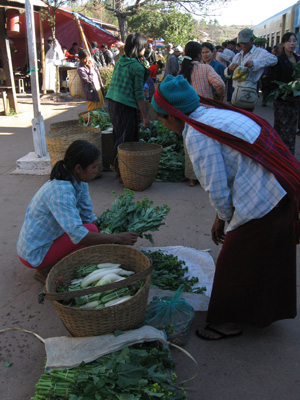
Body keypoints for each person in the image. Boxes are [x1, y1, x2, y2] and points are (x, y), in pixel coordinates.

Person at [151, 74, 300, 340]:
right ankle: (262, 313)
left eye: (161, 118)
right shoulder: (212, 114)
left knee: (233, 263)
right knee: (268, 258)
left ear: (173, 116)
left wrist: (225, 219)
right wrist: (223, 217)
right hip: (281, 190)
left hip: (261, 202)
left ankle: (227, 323)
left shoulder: (197, 134)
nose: (162, 125)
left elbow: (216, 187)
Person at [17, 140, 138, 283]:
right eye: (93, 167)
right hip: (34, 254)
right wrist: (116, 238)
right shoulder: (61, 190)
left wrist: (107, 233)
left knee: (92, 229)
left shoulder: (80, 182)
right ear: (78, 168)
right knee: (89, 231)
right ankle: (43, 270)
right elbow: (79, 235)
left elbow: (88, 215)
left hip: (47, 241)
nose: (96, 171)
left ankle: (52, 263)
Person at [179, 41, 225, 186]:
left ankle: (192, 178)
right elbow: (220, 85)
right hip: (205, 113)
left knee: (189, 145)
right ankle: (206, 177)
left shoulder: (183, 70)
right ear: (199, 55)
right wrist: (219, 97)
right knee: (207, 145)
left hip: (187, 113)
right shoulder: (205, 68)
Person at [105, 32, 150, 163]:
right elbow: (138, 94)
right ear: (139, 48)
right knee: (127, 140)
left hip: (113, 102)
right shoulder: (137, 67)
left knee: (119, 136)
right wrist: (145, 116)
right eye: (144, 47)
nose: (145, 49)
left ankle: (119, 168)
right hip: (125, 106)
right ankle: (125, 171)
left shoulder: (121, 61)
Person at [225, 28, 278, 111]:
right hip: (235, 93)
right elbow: (227, 73)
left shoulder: (260, 52)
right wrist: (229, 69)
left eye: (246, 42)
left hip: (248, 93)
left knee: (246, 119)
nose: (243, 45)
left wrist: (255, 63)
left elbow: (274, 59)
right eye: (241, 43)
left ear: (252, 40)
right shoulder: (238, 55)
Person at [267, 32, 300, 155]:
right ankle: (280, 155)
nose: (292, 43)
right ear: (283, 44)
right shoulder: (279, 61)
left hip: (295, 101)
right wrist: (284, 89)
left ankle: (289, 156)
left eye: (294, 41)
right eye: (289, 41)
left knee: (291, 129)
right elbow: (272, 80)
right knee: (282, 129)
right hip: (282, 101)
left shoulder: (298, 60)